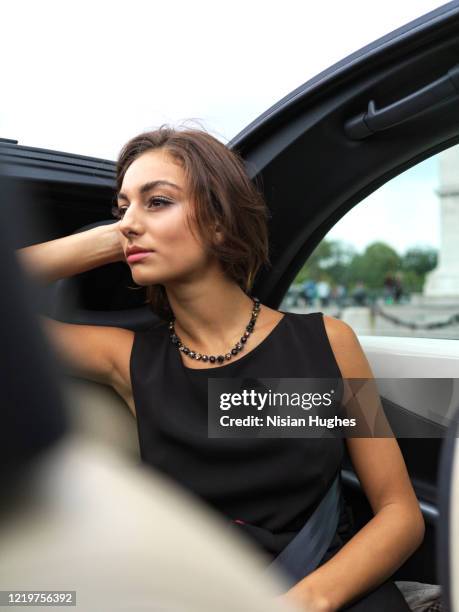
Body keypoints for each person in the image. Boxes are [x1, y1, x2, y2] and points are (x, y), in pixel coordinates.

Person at [17, 125, 424, 612]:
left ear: (218, 222)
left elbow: (400, 513)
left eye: (158, 201)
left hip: (334, 593)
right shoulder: (124, 358)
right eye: (122, 206)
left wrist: (306, 601)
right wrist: (107, 241)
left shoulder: (328, 342)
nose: (129, 220)